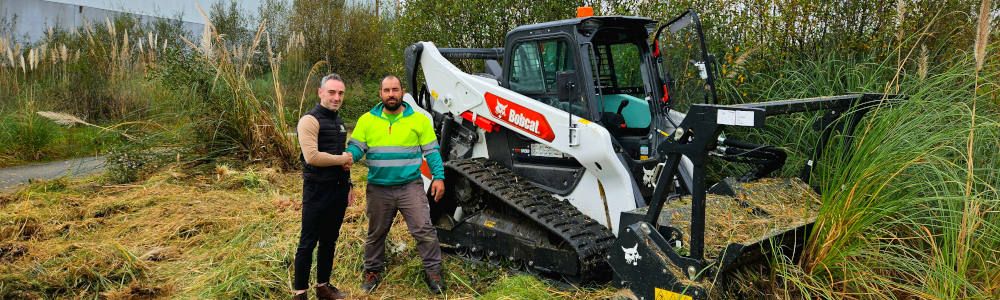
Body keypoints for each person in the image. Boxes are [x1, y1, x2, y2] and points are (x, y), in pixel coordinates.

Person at [346, 75, 447, 294]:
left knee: (423, 229)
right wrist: (347, 158)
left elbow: (432, 152)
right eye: (386, 90)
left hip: (410, 186)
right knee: (376, 232)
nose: (391, 94)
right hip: (378, 188)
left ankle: (433, 271)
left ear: (402, 92)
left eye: (395, 90)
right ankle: (372, 271)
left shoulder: (418, 120)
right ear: (380, 94)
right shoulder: (366, 120)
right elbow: (356, 148)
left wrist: (438, 177)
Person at [292, 73, 354, 300]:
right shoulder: (309, 120)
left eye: (340, 93)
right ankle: (300, 293)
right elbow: (312, 157)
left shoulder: (338, 122)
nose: (336, 97)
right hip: (316, 191)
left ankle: (323, 287)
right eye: (332, 92)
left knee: (329, 240)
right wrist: (344, 159)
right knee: (308, 242)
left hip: (337, 190)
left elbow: (341, 160)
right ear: (320, 93)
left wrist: (349, 184)